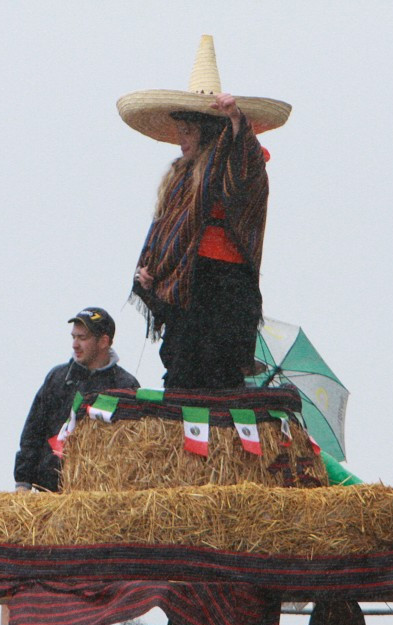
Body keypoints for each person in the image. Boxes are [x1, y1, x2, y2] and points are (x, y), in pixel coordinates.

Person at [117, 35, 291, 389]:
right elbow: (165, 234)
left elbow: (248, 168)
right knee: (181, 369)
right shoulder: (179, 178)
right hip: (188, 284)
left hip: (225, 284)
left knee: (220, 370)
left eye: (187, 131)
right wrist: (152, 273)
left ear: (207, 130)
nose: (181, 138)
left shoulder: (235, 162)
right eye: (179, 131)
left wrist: (237, 120)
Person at [13, 307, 139, 491]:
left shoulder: (125, 385)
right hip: (50, 491)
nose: (75, 344)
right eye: (74, 337)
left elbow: (135, 446)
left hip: (101, 496)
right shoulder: (57, 377)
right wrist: (22, 482)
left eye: (83, 338)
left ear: (104, 341)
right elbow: (32, 432)